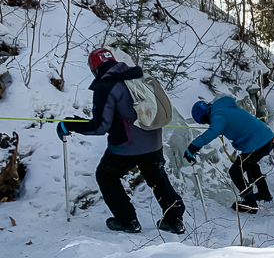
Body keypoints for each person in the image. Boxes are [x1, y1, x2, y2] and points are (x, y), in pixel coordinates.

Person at [56, 47, 185, 234]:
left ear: (94, 68)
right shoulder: (135, 76)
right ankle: (174, 220)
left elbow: (100, 127)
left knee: (106, 176)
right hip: (153, 139)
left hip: (127, 145)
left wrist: (71, 125)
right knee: (157, 176)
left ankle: (127, 220)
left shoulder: (106, 85)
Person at [185, 95, 274, 213]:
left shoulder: (218, 117)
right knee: (251, 164)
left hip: (256, 143)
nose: (208, 123)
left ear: (205, 116)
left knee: (235, 172)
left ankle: (250, 204)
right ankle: (264, 193)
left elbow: (211, 132)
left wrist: (192, 147)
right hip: (267, 137)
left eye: (205, 121)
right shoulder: (223, 107)